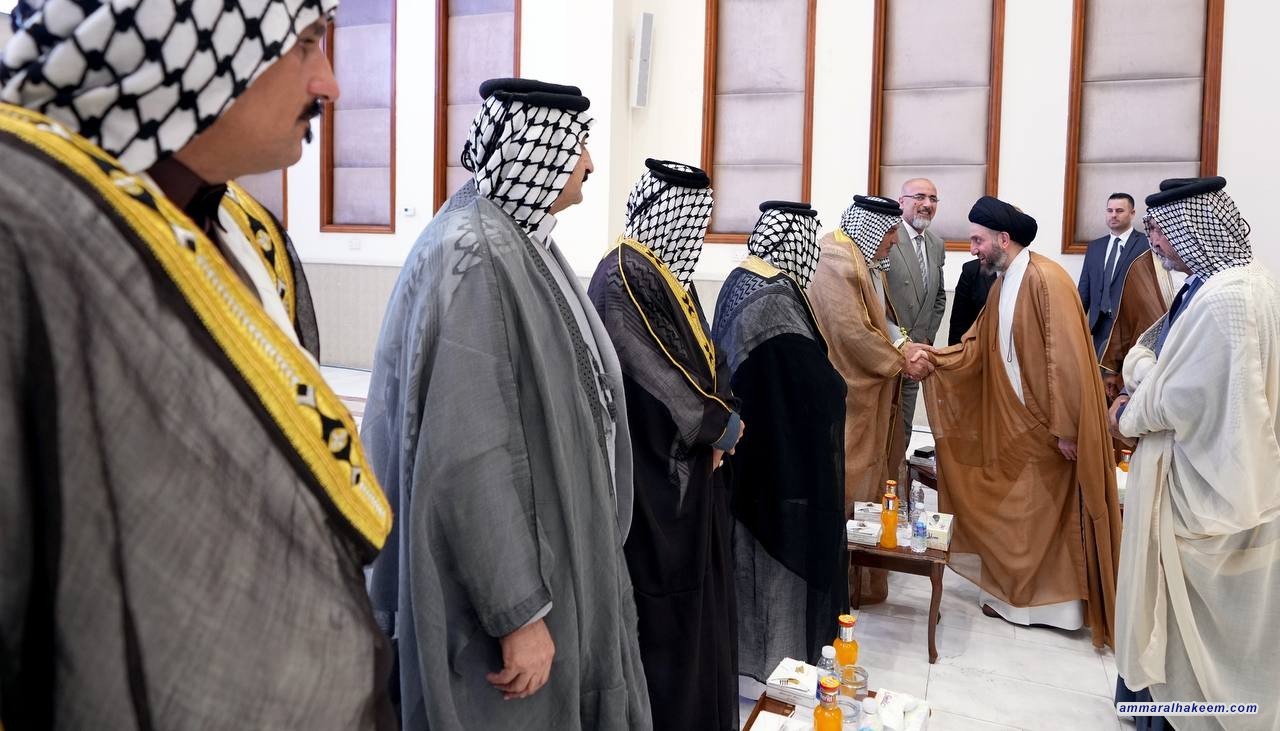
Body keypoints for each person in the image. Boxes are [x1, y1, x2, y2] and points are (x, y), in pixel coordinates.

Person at [0, 1, 396, 727]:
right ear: (177, 38)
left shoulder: (240, 226)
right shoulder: (25, 231)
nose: (330, 84)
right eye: (306, 44)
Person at [362, 78, 651, 730]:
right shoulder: (479, 252)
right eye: (577, 145)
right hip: (516, 591)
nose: (589, 163)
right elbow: (471, 453)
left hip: (555, 549)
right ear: (536, 150)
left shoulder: (518, 240)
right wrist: (518, 612)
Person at [1110, 177, 1280, 731]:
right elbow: (1157, 348)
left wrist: (1126, 414)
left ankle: (1181, 716)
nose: (1155, 243)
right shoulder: (1225, 281)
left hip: (1202, 480)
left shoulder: (1227, 298)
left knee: (1182, 610)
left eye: (1162, 231)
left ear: (1195, 231)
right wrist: (1143, 371)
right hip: (1199, 466)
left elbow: (1182, 395)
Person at [921, 196, 1121, 647]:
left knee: (1043, 517)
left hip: (1050, 428)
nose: (973, 249)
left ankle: (1054, 607)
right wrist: (934, 359)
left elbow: (1064, 361)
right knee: (1019, 515)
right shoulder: (1003, 282)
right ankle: (1014, 598)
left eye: (977, 240)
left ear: (1003, 239)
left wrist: (1067, 428)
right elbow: (976, 344)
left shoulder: (1046, 279)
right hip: (1015, 422)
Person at [587, 159, 742, 731]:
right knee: (663, 612)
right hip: (654, 476)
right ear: (666, 213)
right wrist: (718, 428)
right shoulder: (623, 276)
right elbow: (650, 377)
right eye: (692, 219)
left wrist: (725, 415)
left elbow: (710, 356)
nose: (698, 233)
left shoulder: (668, 273)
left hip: (694, 471)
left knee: (699, 606)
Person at [712, 201, 847, 683]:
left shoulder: (742, 278)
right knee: (772, 562)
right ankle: (776, 666)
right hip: (774, 458)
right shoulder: (769, 296)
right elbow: (803, 377)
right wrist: (834, 387)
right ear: (794, 243)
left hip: (753, 448)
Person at [808, 194, 934, 606]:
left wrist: (905, 345)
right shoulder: (836, 260)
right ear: (871, 227)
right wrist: (900, 361)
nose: (895, 240)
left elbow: (881, 321)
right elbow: (853, 335)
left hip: (874, 395)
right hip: (849, 397)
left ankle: (862, 578)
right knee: (847, 482)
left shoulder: (866, 261)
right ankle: (838, 585)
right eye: (891, 231)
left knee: (872, 480)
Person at [884, 178, 947, 450]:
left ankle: (897, 475)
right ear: (902, 202)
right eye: (919, 197)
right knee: (881, 429)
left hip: (917, 356)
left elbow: (939, 297)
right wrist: (901, 343)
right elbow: (876, 299)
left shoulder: (936, 244)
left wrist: (925, 340)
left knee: (903, 430)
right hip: (887, 353)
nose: (927, 204)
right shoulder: (887, 238)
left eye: (933, 199)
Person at [1097, 246, 1177, 401]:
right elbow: (1124, 323)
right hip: (1145, 373)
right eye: (1150, 233)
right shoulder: (1141, 267)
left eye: (1161, 233)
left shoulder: (1213, 275)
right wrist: (1111, 369)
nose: (1154, 240)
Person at [1077, 193, 1151, 357]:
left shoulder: (1146, 244)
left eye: (1119, 211)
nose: (1113, 215)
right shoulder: (1095, 247)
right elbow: (1084, 289)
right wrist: (1075, 322)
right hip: (1100, 324)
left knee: (1128, 371)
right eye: (1110, 210)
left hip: (1131, 326)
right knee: (1100, 370)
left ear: (1132, 213)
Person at [947, 257, 998, 345]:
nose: (973, 251)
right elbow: (959, 327)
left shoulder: (1024, 272)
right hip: (981, 348)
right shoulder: (972, 270)